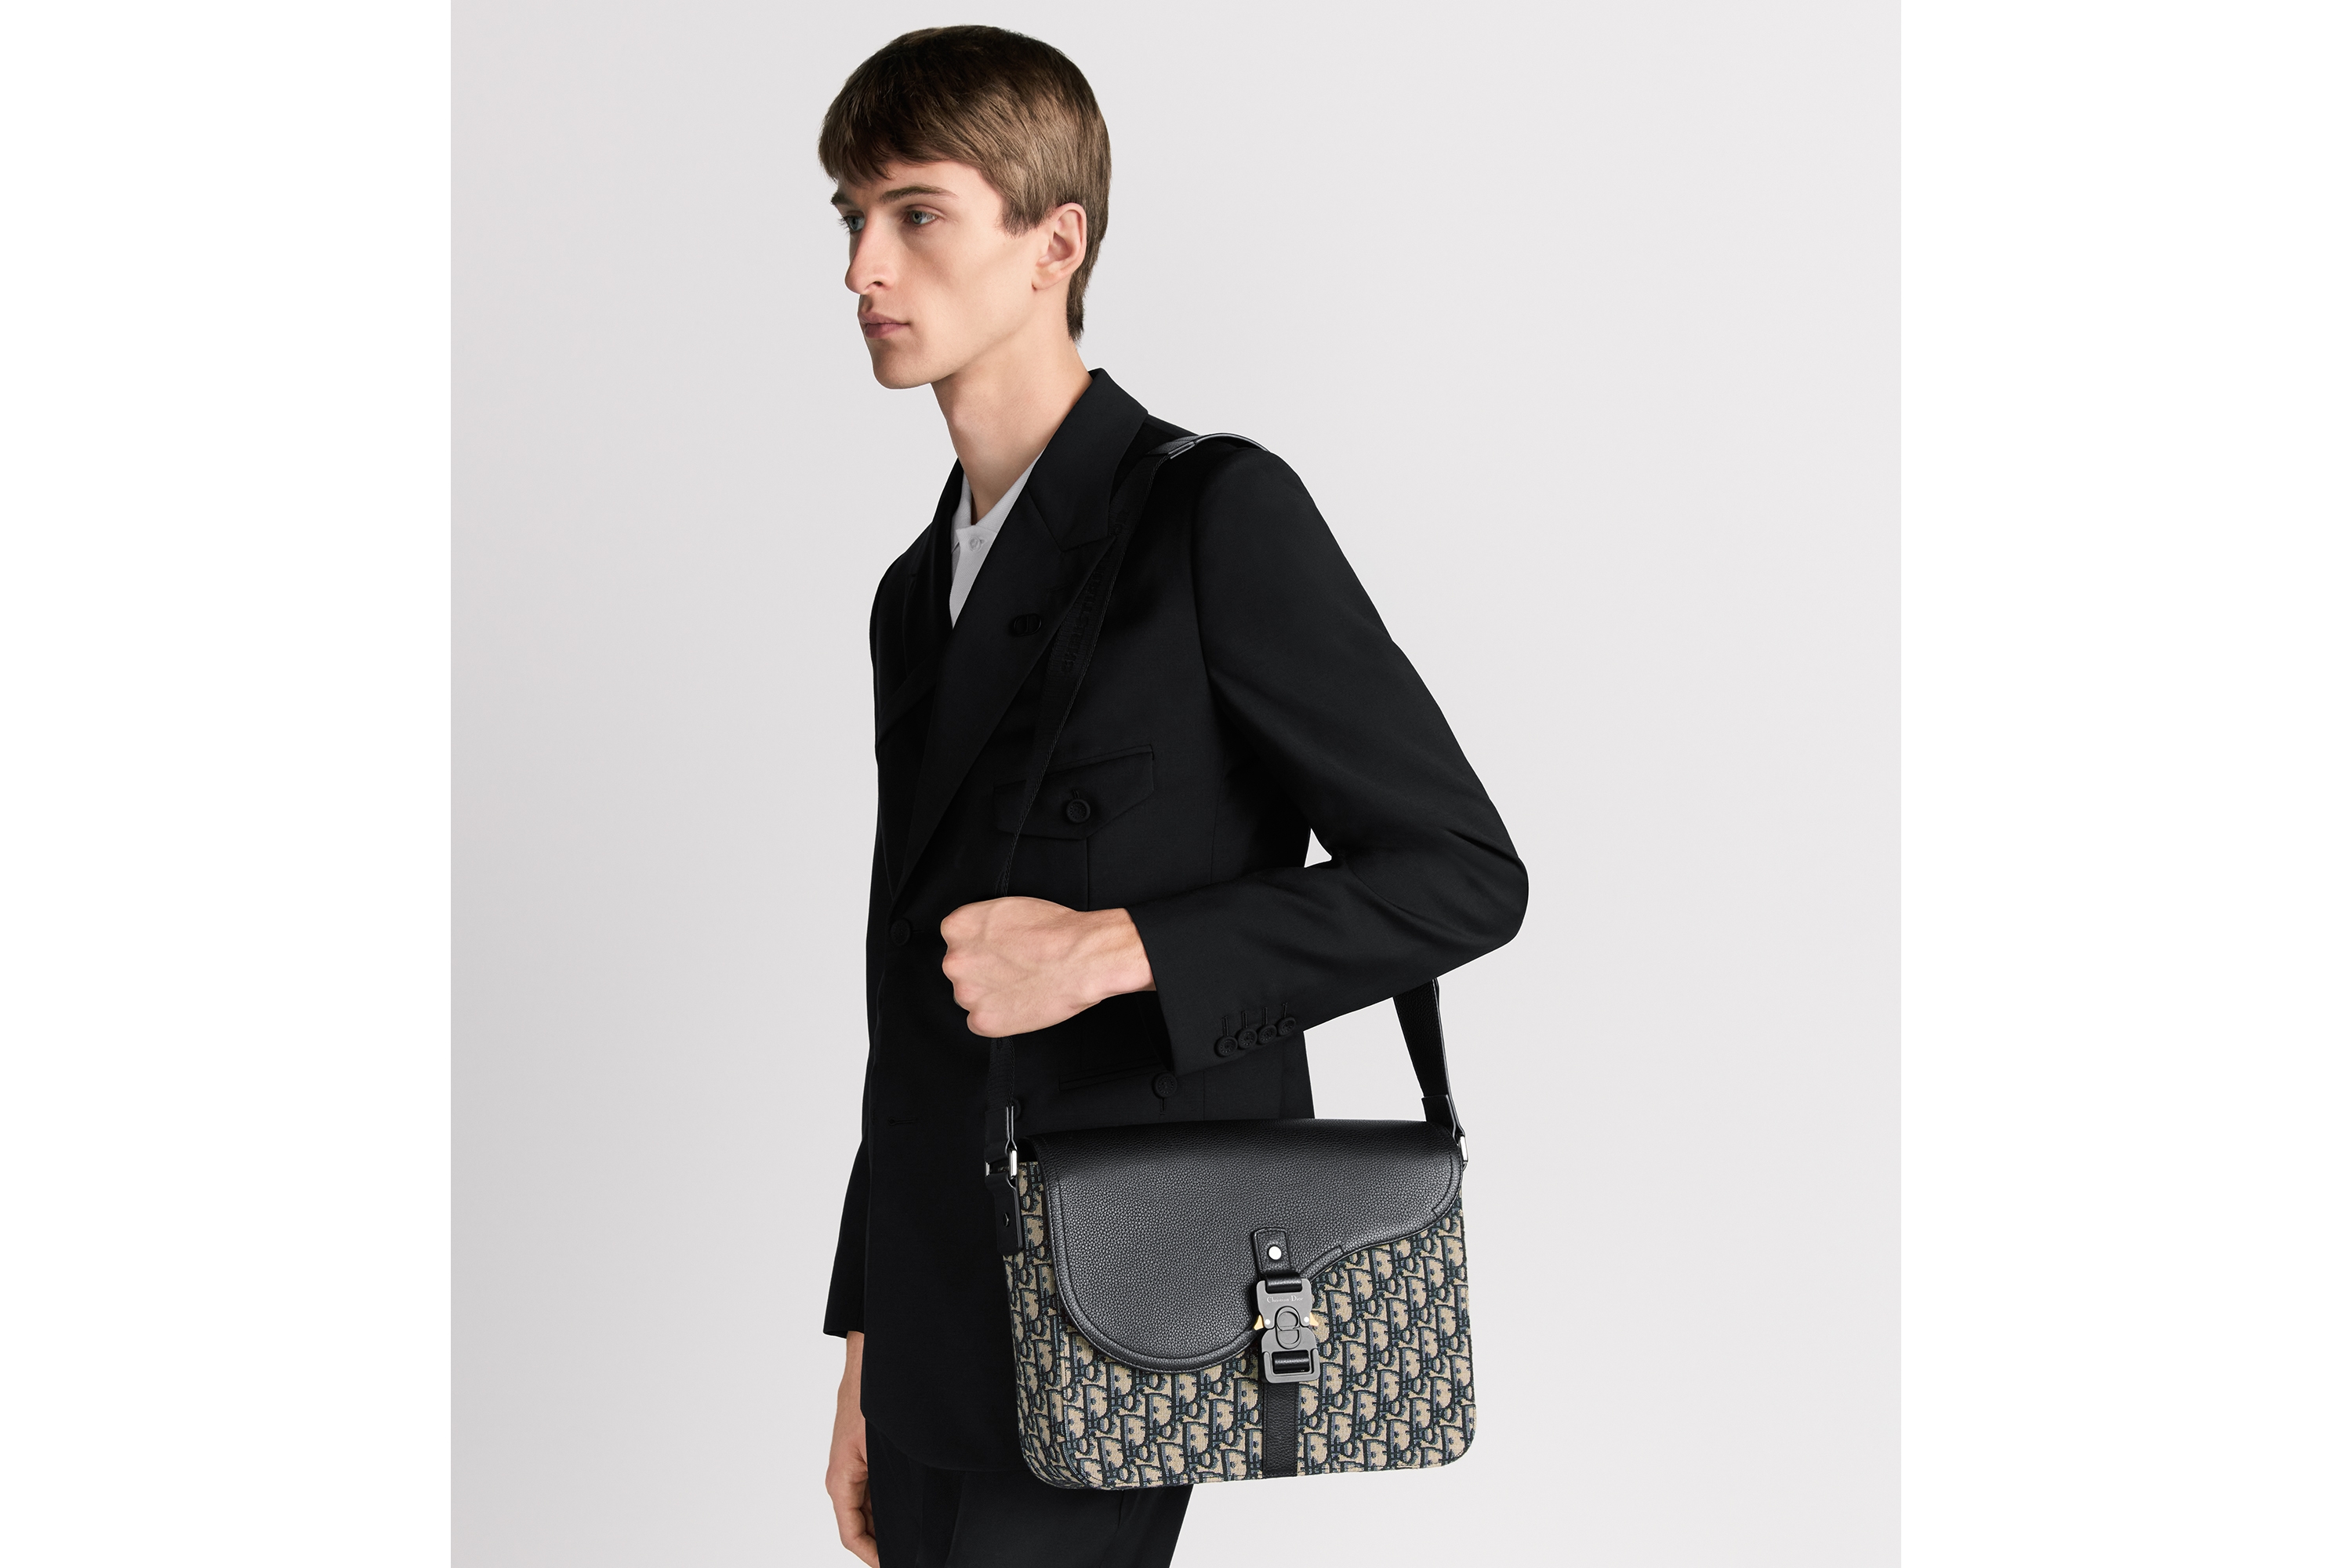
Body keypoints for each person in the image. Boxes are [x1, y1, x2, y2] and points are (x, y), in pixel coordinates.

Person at [815, 26, 1526, 1567]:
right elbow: (909, 1009)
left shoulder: (1214, 516)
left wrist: (1116, 948)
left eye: (917, 214)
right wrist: (867, 1341)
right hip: (935, 1310)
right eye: (851, 217)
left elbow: (1464, 874)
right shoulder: (910, 596)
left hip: (1130, 1292)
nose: (864, 264)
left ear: (1054, 243)